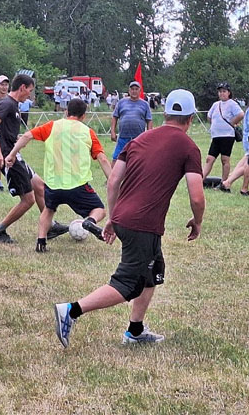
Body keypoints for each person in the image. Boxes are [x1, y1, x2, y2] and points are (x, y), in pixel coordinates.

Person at [52, 89, 205, 348]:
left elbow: (113, 181)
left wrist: (114, 216)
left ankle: (135, 331)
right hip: (142, 225)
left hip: (128, 219)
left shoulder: (138, 140)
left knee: (153, 272)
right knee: (127, 283)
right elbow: (197, 196)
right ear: (190, 119)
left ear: (164, 114)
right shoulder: (189, 147)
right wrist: (197, 220)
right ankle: (71, 310)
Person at [6, 98, 112, 252]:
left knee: (48, 210)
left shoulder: (52, 126)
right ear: (84, 116)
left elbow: (26, 136)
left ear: (66, 111)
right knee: (99, 210)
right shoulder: (87, 132)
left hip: (53, 184)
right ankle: (90, 221)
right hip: (78, 185)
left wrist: (12, 154)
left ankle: (41, 242)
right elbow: (102, 158)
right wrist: (112, 179)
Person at [0, 74, 69, 244]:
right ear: (22, 87)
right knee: (28, 199)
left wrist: (16, 141)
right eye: (29, 91)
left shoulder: (14, 105)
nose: (30, 95)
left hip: (14, 154)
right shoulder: (7, 103)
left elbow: (4, 130)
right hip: (9, 158)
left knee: (39, 185)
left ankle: (50, 226)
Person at [202, 82, 243, 182]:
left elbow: (241, 114)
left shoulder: (232, 104)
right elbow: (209, 116)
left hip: (227, 136)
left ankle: (224, 182)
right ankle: (200, 179)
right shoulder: (216, 104)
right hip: (216, 136)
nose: (222, 93)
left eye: (224, 91)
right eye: (220, 92)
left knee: (225, 159)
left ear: (229, 93)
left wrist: (232, 122)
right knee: (209, 159)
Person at [110, 81, 153, 166]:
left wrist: (149, 135)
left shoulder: (145, 104)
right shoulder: (121, 102)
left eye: (136, 89)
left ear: (140, 91)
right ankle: (111, 178)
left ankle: (137, 178)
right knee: (116, 158)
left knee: (139, 159)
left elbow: (149, 120)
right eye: (132, 89)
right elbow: (115, 117)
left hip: (138, 138)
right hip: (123, 137)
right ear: (129, 91)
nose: (134, 91)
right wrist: (112, 132)